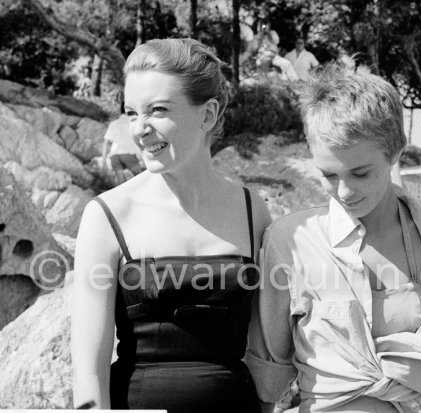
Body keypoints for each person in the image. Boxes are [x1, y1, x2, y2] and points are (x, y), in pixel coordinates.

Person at [245, 62, 421, 412]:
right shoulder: (289, 242)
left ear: (395, 152)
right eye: (328, 174)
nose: (345, 191)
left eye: (361, 173)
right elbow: (268, 376)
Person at [71, 38, 271, 413]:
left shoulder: (252, 209)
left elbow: (263, 349)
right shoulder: (107, 214)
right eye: (132, 113)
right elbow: (88, 370)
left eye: (158, 110)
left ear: (208, 114)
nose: (140, 129)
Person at [101, 98, 144, 185]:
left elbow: (106, 143)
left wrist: (104, 161)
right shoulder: (134, 123)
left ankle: (121, 196)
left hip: (114, 157)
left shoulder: (114, 123)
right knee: (141, 178)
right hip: (128, 155)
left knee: (121, 182)